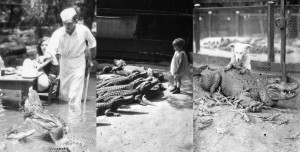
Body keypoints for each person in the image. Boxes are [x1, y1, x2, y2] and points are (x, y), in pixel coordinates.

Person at [42, 7, 96, 104]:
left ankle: (74, 117)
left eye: (70, 23)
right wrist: (46, 56)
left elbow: (92, 43)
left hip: (79, 62)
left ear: (76, 20)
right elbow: (51, 49)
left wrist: (91, 59)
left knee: (74, 95)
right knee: (64, 95)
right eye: (64, 23)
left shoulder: (84, 30)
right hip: (64, 63)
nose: (67, 26)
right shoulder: (58, 33)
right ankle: (65, 116)